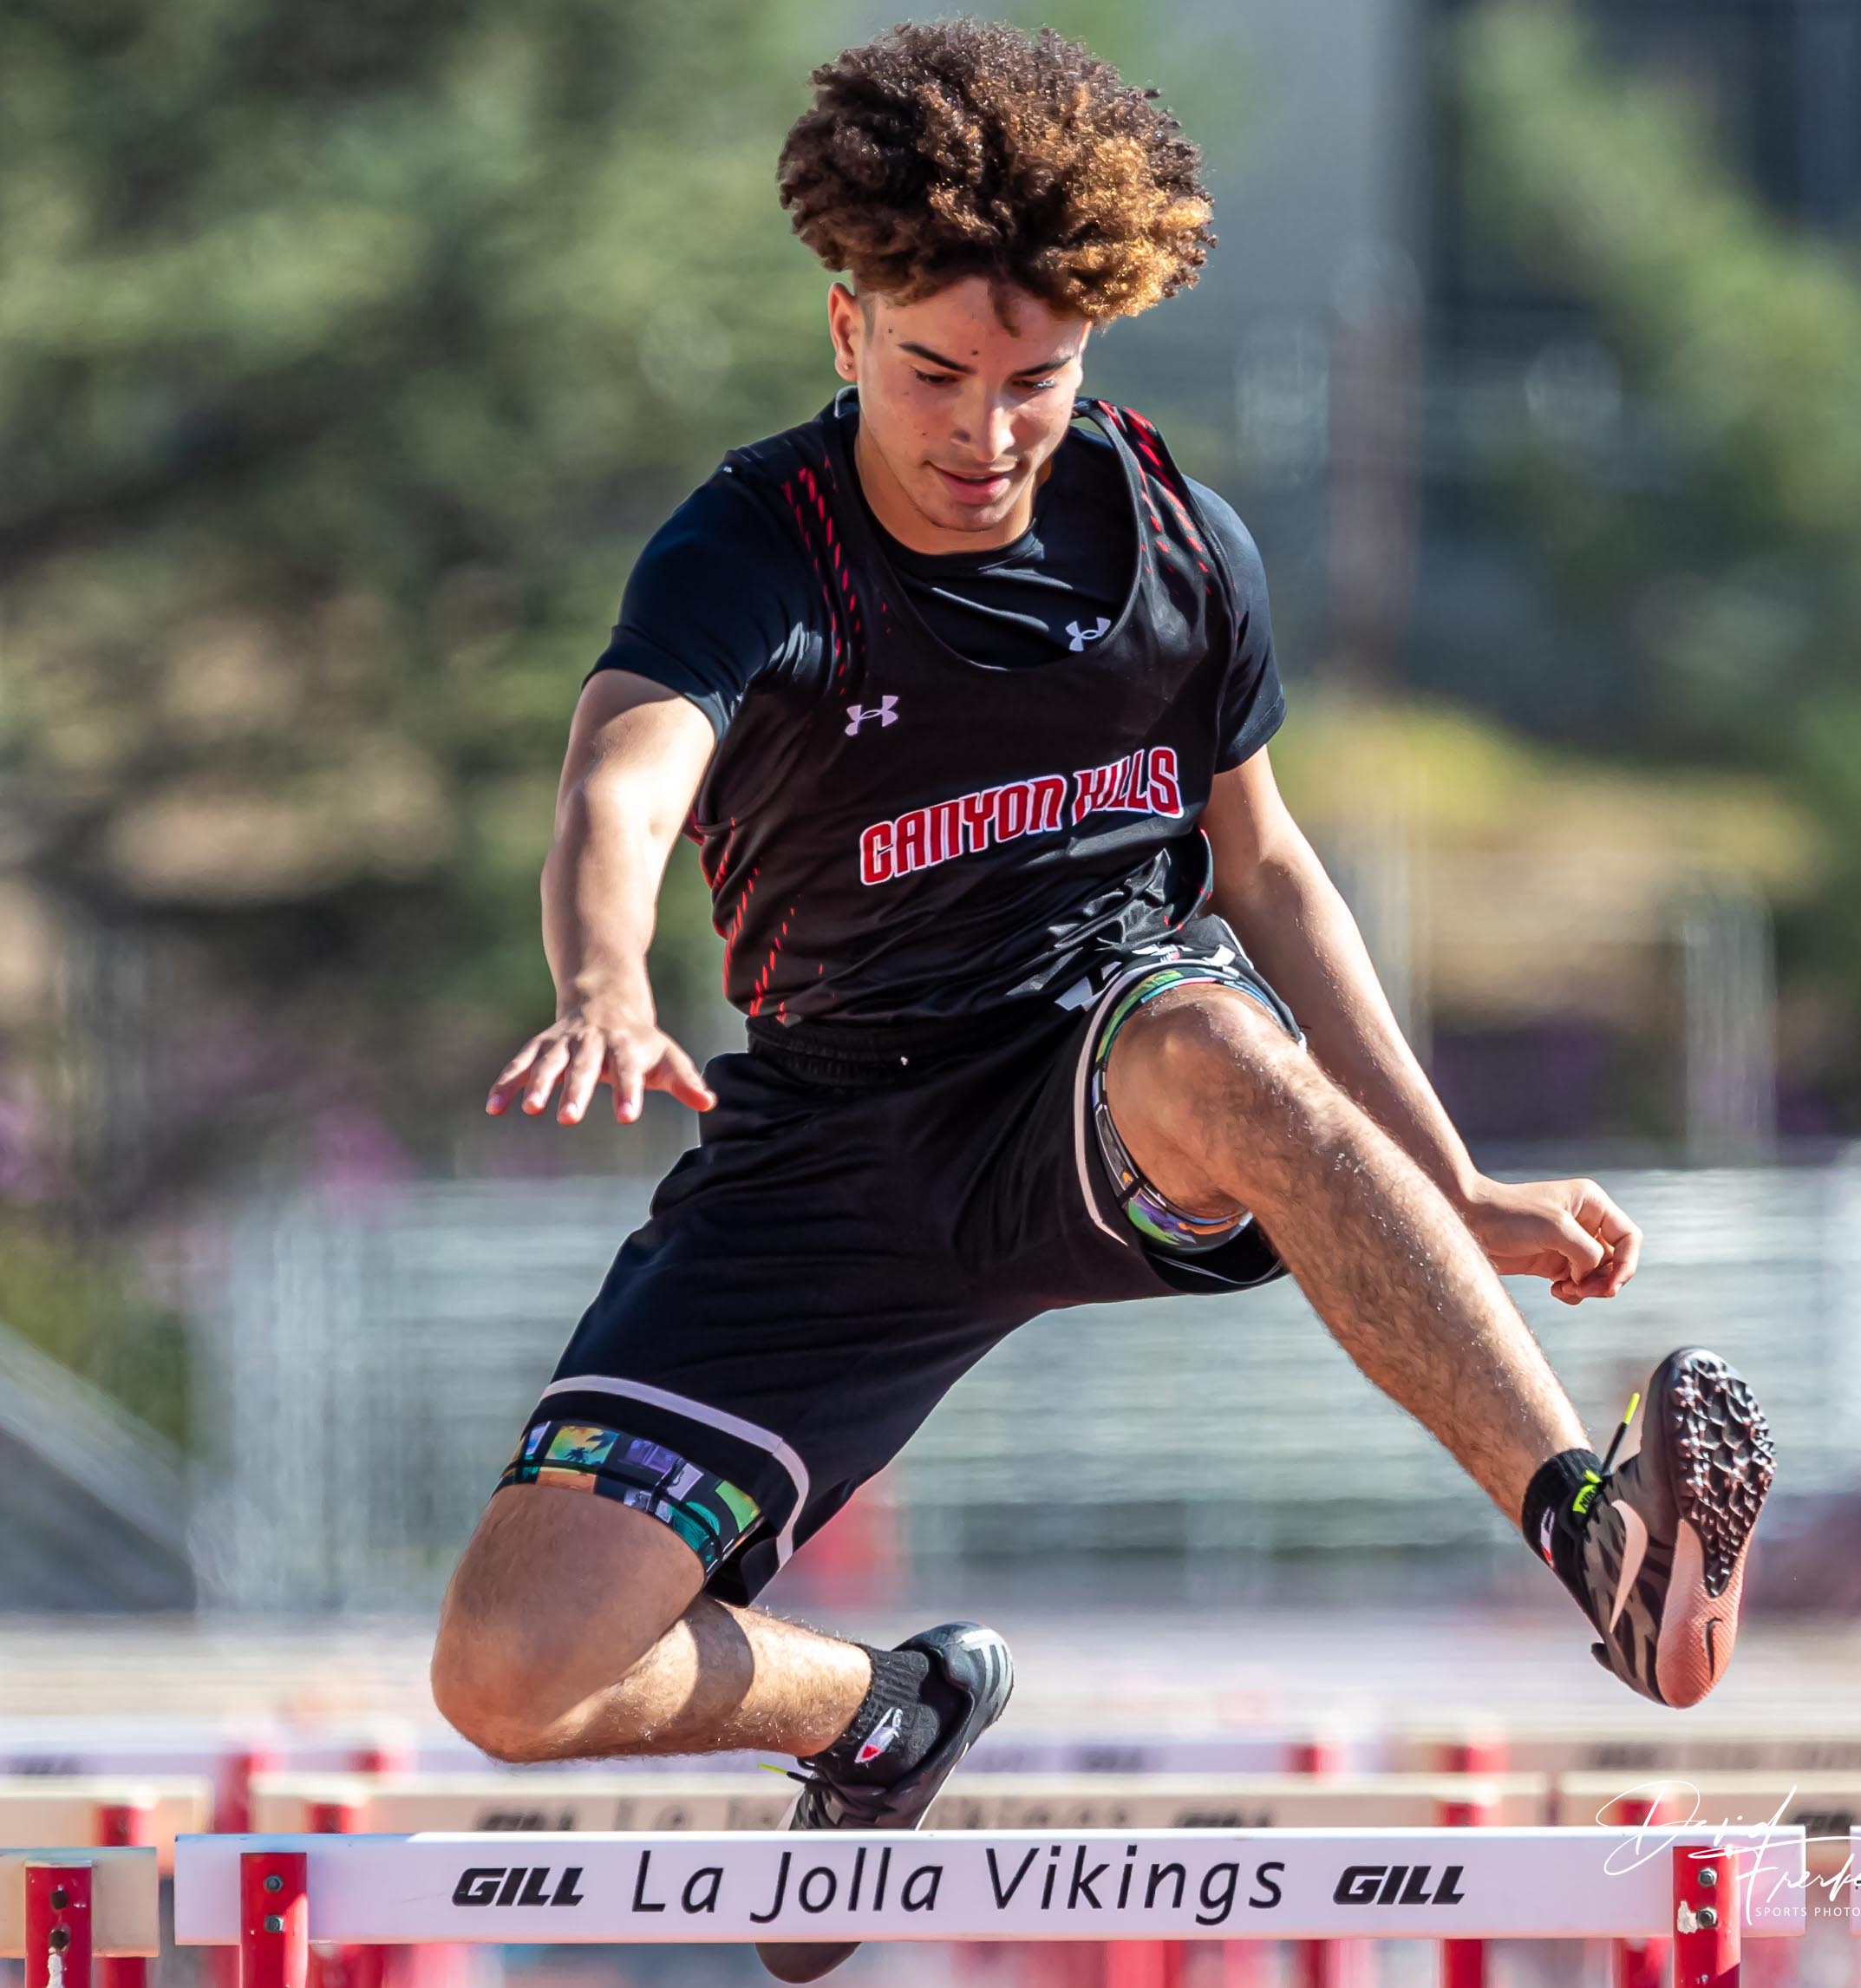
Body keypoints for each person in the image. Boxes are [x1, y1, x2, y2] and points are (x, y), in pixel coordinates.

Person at [429, 20, 1776, 1980]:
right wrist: (602, 976)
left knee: (1210, 1037)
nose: (983, 435)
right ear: (845, 331)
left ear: (1093, 353)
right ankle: (879, 1713)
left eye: (1034, 383)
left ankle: (1598, 1536)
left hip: (1095, 1067)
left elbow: (1271, 873)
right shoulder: (751, 547)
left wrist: (1453, 1184)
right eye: (933, 376)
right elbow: (625, 776)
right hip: (833, 1147)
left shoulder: (1176, 549)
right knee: (509, 1672)